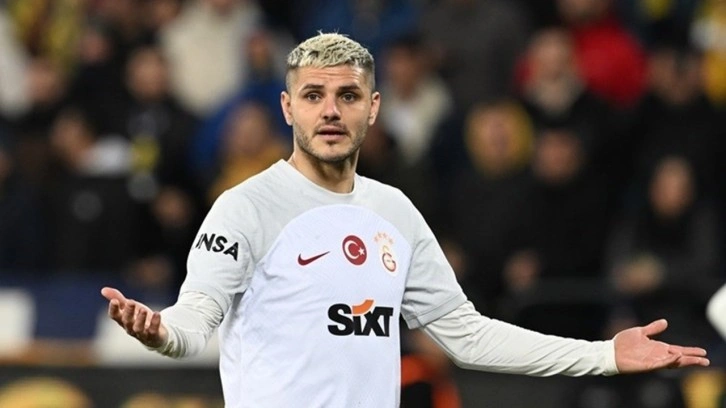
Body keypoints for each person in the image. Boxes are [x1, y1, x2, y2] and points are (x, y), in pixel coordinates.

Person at [101, 33, 710, 407]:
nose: (330, 111)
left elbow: (468, 336)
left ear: (373, 108)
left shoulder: (392, 211)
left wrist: (604, 355)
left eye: (347, 96)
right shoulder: (245, 207)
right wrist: (158, 331)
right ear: (287, 108)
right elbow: (194, 320)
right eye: (313, 96)